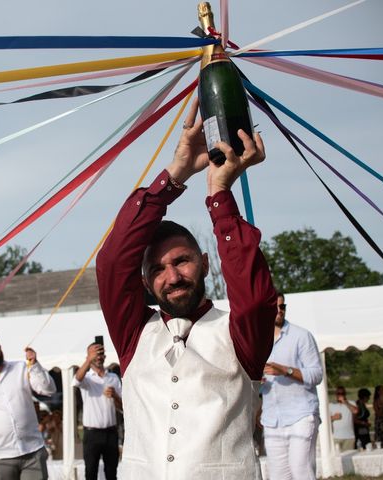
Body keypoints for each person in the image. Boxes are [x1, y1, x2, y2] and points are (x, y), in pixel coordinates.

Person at [95, 98, 278, 478]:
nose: (172, 276)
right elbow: (112, 262)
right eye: (158, 269)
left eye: (182, 261)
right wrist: (175, 174)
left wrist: (219, 194)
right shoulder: (133, 334)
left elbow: (257, 297)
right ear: (145, 281)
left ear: (206, 263)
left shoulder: (239, 332)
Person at [0, 333, 56, 480]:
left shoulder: (21, 368)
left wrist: (35, 365)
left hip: (32, 451)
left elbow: (49, 390)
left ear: (0, 347)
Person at [260, 293, 323, 480]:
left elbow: (316, 374)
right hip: (272, 419)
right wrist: (257, 380)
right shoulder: (258, 340)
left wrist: (285, 371)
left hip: (301, 415)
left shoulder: (302, 336)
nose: (280, 311)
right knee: (278, 476)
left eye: (283, 307)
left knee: (301, 471)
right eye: (276, 307)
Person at [73, 342, 122, 480]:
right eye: (95, 354)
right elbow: (76, 380)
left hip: (111, 432)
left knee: (112, 472)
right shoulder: (87, 378)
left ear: (105, 356)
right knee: (91, 472)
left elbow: (123, 407)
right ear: (88, 356)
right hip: (92, 434)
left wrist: (115, 396)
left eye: (100, 353)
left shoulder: (113, 377)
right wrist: (89, 360)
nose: (98, 357)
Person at [329, 386, 359, 452]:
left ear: (345, 394)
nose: (340, 395)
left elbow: (355, 411)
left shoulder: (351, 403)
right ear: (336, 394)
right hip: (336, 437)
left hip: (349, 437)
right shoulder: (331, 405)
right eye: (338, 393)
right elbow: (325, 419)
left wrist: (345, 402)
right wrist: (333, 417)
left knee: (348, 458)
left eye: (342, 393)